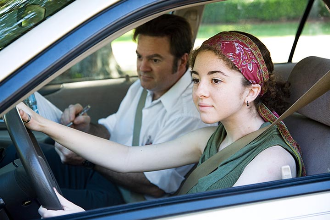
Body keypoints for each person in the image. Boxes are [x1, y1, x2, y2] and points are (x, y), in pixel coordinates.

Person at [19, 30, 305, 218]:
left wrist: (81, 215)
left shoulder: (271, 158)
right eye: (196, 79)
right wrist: (42, 124)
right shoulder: (211, 138)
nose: (199, 91)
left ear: (251, 91)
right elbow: (126, 156)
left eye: (215, 80)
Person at [0, 13, 210, 211]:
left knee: (29, 200)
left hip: (129, 199)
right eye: (139, 57)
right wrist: (87, 127)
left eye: (154, 60)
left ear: (183, 61)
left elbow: (154, 186)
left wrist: (88, 159)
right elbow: (111, 130)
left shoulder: (188, 113)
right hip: (103, 173)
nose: (142, 68)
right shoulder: (142, 88)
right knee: (19, 156)